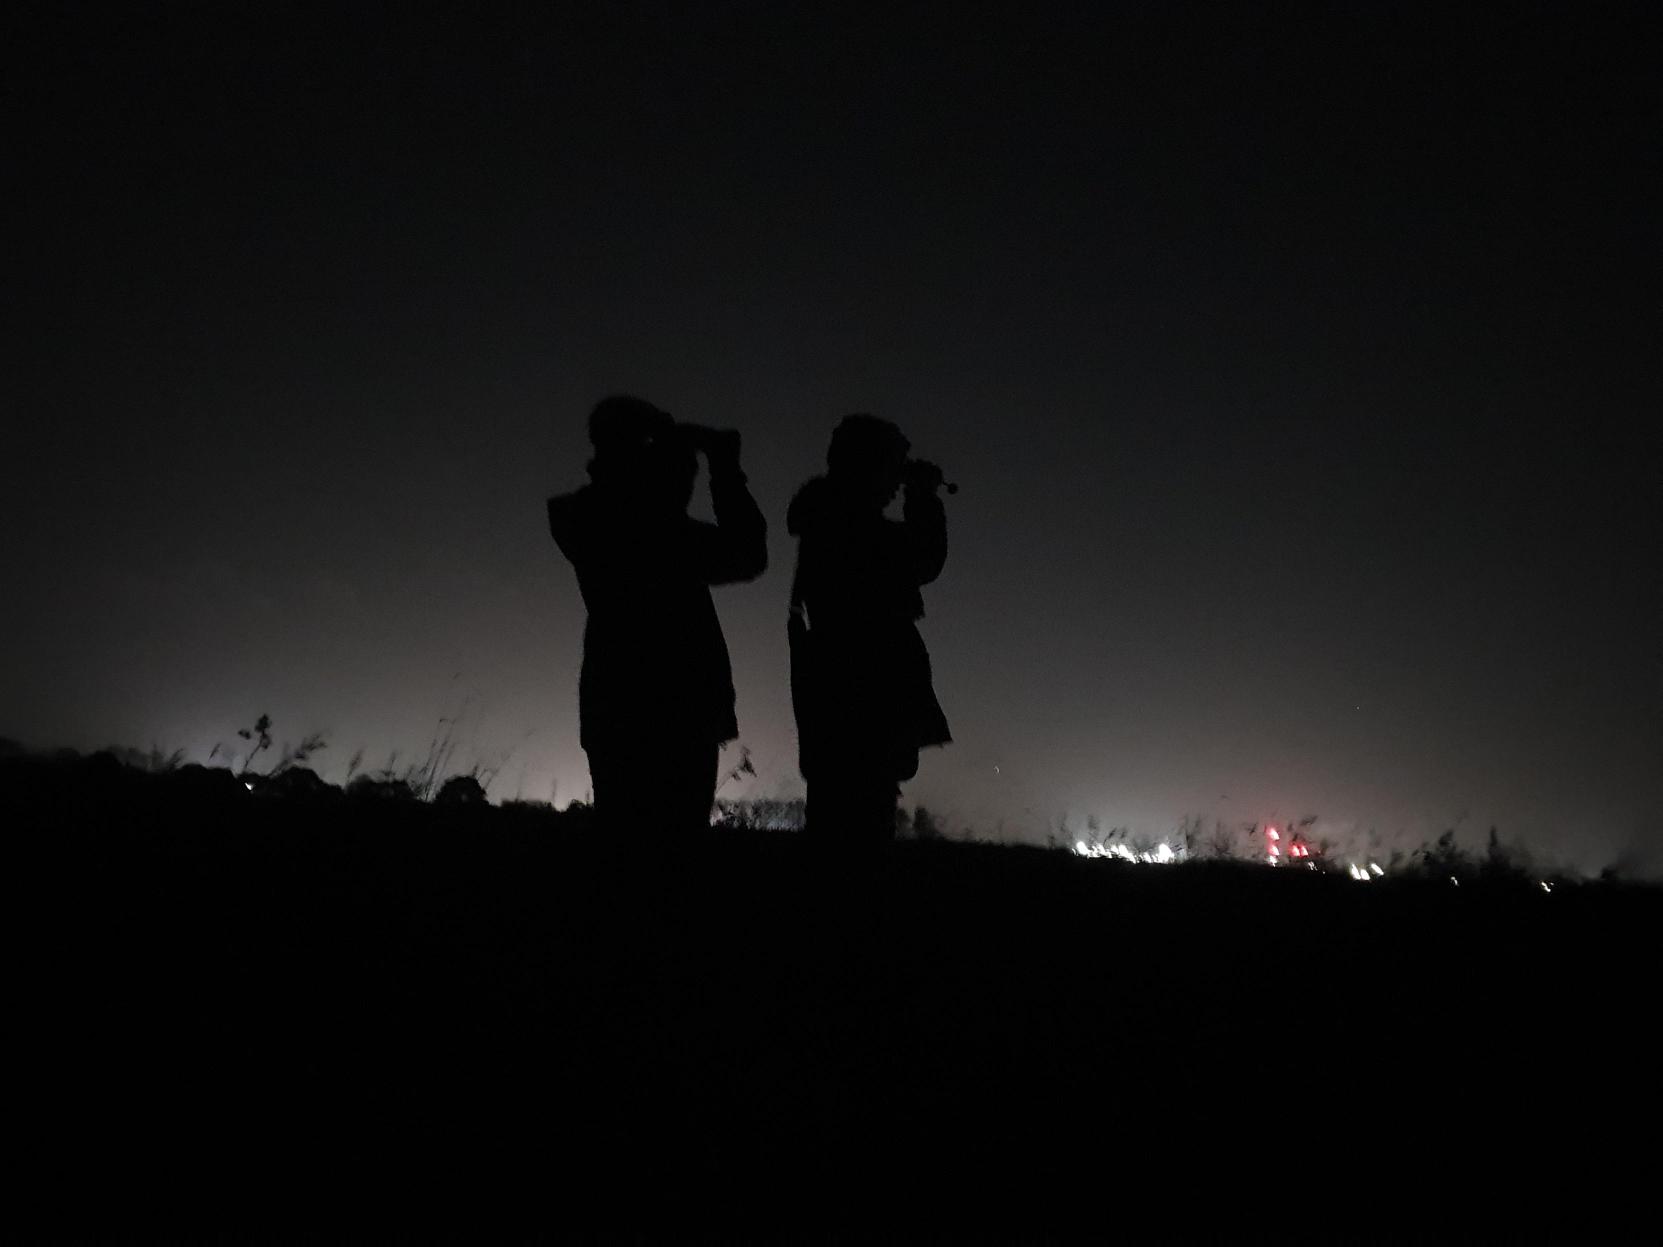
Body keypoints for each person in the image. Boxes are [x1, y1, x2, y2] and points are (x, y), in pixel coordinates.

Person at [548, 395, 767, 835]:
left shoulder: (589, 516)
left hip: (622, 712)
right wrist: (723, 469)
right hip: (675, 715)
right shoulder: (629, 525)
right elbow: (747, 554)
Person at [786, 414, 951, 843]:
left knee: (843, 820)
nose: (896, 479)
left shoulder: (826, 520)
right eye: (891, 465)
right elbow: (922, 558)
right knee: (856, 831)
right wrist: (923, 499)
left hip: (842, 707)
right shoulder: (849, 528)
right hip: (863, 709)